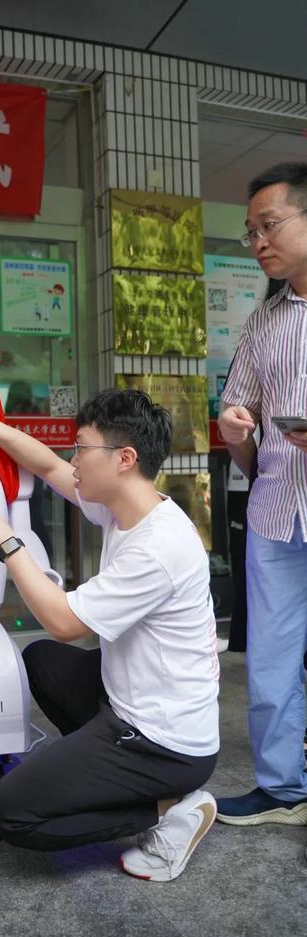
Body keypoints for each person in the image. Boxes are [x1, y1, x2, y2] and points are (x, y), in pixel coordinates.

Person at [0, 384, 219, 882]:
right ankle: (107, 777)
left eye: (82, 447)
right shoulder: (126, 507)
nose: (73, 458)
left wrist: (9, 544)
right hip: (133, 701)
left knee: (12, 811)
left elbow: (65, 623)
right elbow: (46, 467)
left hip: (162, 742)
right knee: (42, 662)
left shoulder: (159, 546)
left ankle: (166, 810)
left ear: (124, 458)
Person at [217, 162, 307, 828]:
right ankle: (283, 789)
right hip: (277, 507)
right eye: (251, 231)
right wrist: (233, 431)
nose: (257, 242)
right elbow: (242, 427)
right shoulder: (263, 322)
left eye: (269, 225)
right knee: (271, 659)